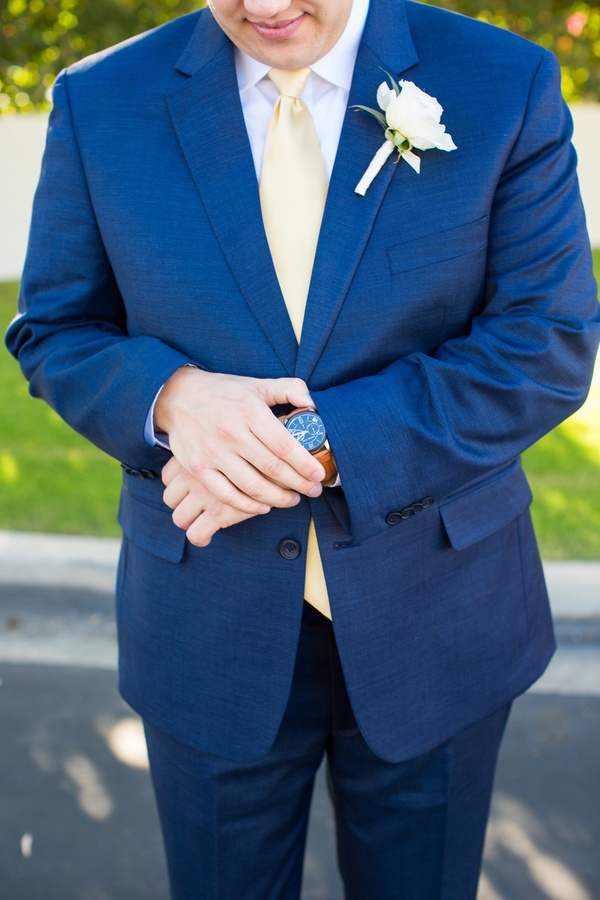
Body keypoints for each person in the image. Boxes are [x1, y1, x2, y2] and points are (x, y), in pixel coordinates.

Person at [6, 0, 600, 896]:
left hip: (439, 610)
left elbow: (543, 345)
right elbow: (57, 330)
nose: (267, 6)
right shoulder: (101, 100)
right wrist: (169, 399)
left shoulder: (503, 81)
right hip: (203, 615)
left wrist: (313, 448)